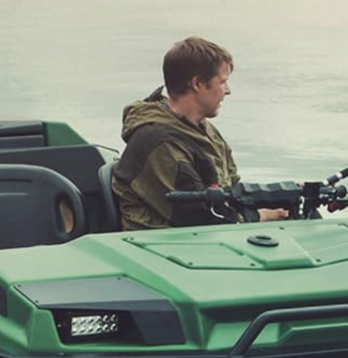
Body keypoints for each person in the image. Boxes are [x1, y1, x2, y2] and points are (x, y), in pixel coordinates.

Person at [111, 37, 290, 230]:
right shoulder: (158, 141)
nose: (228, 91)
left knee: (297, 210)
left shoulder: (204, 129)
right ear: (197, 84)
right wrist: (261, 216)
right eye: (223, 82)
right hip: (165, 245)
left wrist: (282, 194)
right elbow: (198, 217)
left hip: (205, 235)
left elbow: (232, 189)